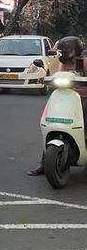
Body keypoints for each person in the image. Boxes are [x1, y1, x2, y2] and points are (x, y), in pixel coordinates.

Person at [27, 36, 87, 175]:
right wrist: (46, 78)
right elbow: (56, 76)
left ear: (73, 51)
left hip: (84, 96)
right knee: (50, 122)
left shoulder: (84, 62)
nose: (60, 54)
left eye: (63, 51)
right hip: (68, 96)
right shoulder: (63, 64)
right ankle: (44, 162)